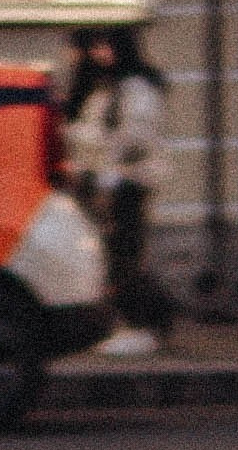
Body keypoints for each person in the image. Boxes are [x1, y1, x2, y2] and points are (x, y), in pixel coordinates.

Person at [65, 27, 171, 352]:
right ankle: (129, 323)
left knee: (125, 254)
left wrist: (90, 144)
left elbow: (133, 140)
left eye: (106, 47)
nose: (99, 54)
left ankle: (142, 326)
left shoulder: (136, 89)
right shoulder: (109, 88)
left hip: (129, 183)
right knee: (116, 255)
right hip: (110, 181)